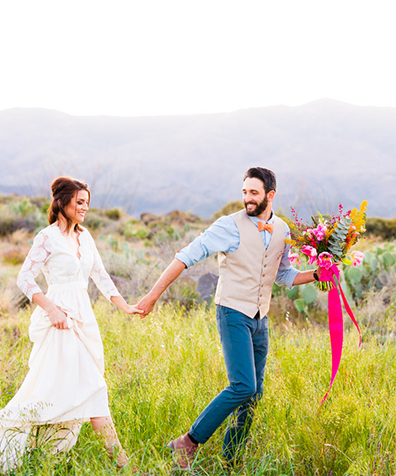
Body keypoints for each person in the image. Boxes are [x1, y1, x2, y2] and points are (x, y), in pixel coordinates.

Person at [0, 177, 140, 471]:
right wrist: (51, 309)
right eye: (80, 202)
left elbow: (100, 276)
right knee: (93, 388)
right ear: (63, 203)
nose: (85, 207)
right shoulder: (46, 237)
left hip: (84, 317)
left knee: (66, 390)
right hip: (59, 320)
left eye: (87, 202)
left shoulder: (85, 237)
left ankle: (47, 451)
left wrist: (125, 306)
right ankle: (126, 467)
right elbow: (24, 278)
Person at [136, 167, 319, 468]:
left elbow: (284, 275)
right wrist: (153, 295)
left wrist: (316, 274)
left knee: (254, 394)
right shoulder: (228, 226)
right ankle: (187, 442)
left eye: (254, 193)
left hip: (260, 318)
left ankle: (230, 461)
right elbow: (186, 256)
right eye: (245, 192)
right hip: (232, 312)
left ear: (270, 196)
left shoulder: (283, 230)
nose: (247, 198)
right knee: (243, 385)